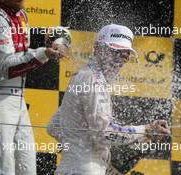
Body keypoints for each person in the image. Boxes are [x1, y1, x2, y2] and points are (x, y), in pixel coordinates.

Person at [47, 24, 171, 175]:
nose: (120, 60)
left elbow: (53, 126)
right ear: (98, 47)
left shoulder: (84, 75)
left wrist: (81, 147)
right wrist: (146, 130)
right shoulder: (94, 81)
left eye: (125, 55)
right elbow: (104, 133)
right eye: (115, 52)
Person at [0, 0, 67, 174]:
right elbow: (6, 66)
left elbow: (19, 52)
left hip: (17, 98)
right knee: (3, 168)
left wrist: (49, 43)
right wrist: (43, 53)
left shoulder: (21, 15)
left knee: (27, 166)